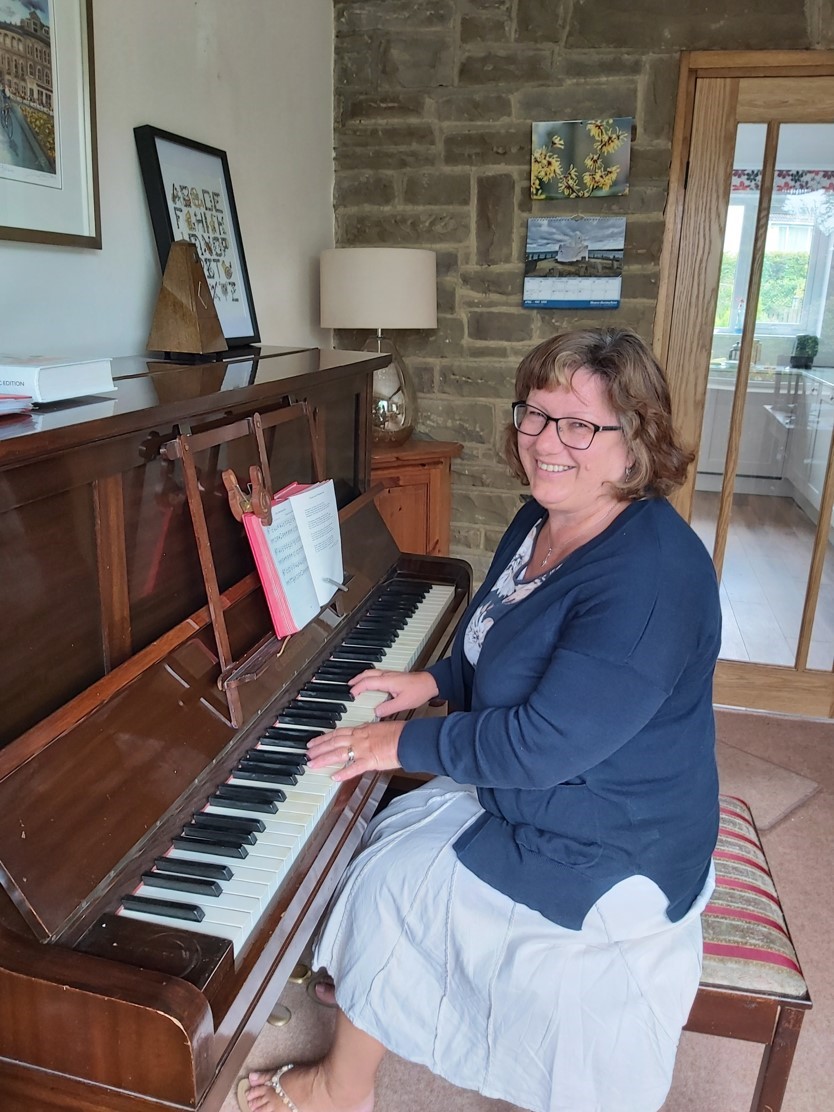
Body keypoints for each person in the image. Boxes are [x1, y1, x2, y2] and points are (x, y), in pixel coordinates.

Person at [239, 328, 722, 1112]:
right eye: (534, 415)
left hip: (612, 834)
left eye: (580, 425)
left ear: (634, 444)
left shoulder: (649, 583)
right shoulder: (544, 520)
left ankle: (339, 1086)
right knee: (381, 841)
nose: (545, 442)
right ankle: (371, 990)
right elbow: (498, 645)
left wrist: (393, 740)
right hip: (564, 785)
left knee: (392, 875)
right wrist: (430, 678)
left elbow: (538, 745)